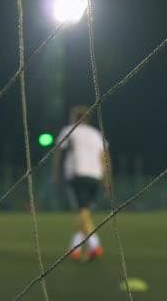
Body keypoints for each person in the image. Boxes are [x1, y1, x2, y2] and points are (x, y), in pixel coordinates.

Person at [53, 106, 109, 262]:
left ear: (74, 117)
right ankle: (75, 248)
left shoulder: (69, 130)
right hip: (95, 177)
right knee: (84, 212)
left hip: (77, 175)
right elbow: (104, 156)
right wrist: (106, 180)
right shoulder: (96, 133)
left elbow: (59, 152)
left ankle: (94, 245)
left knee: (83, 213)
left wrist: (56, 173)